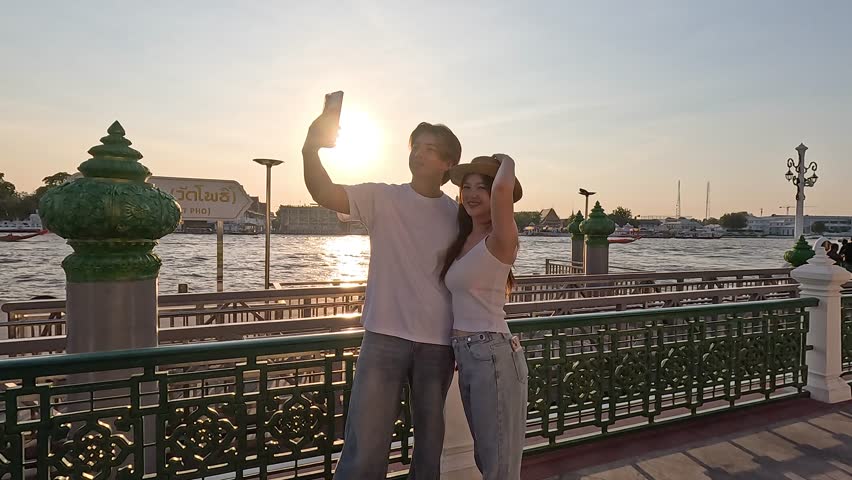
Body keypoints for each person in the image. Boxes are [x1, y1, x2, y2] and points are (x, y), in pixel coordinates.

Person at [302, 103, 462, 479]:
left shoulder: (459, 215)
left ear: (448, 164)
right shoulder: (382, 197)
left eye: (430, 148)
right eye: (416, 146)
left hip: (438, 344)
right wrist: (310, 148)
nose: (419, 153)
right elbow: (323, 192)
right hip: (383, 337)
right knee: (365, 446)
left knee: (428, 451)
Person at [440, 154, 526, 479]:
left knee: (499, 465)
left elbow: (505, 189)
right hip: (468, 354)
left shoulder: (501, 239)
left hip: (492, 353)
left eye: (482, 187)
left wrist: (508, 161)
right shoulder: (462, 241)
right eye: (466, 186)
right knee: (485, 458)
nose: (472, 194)